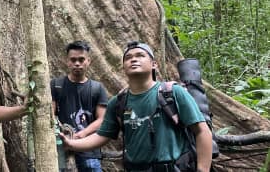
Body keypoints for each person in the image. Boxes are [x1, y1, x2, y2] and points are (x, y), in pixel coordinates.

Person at [60, 41, 213, 172]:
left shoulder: (172, 93)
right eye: (128, 58)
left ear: (154, 64)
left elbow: (201, 130)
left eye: (140, 55)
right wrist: (71, 144)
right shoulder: (118, 102)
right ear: (123, 67)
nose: (133, 59)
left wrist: (203, 169)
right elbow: (102, 135)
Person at [51, 41, 108, 172]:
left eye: (81, 59)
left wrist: (82, 134)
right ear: (67, 61)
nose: (77, 63)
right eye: (73, 60)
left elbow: (102, 119)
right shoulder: (56, 85)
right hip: (61, 149)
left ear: (88, 61)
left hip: (89, 151)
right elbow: (50, 115)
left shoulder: (97, 88)